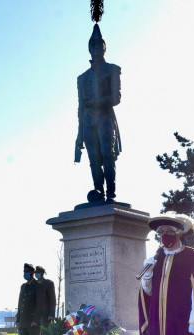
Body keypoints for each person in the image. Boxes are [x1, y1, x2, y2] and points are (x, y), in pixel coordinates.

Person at [74, 23, 122, 203]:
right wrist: (79, 135)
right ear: (89, 48)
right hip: (87, 121)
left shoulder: (112, 69)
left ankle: (111, 194)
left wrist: (95, 102)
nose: (96, 47)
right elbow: (80, 107)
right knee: (93, 159)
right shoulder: (82, 78)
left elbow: (116, 98)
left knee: (108, 154)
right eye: (93, 44)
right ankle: (98, 192)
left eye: (100, 43)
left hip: (105, 117)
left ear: (105, 47)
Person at [17, 263, 45, 335]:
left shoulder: (38, 286)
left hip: (33, 322)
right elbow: (20, 304)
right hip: (23, 322)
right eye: (24, 272)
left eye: (27, 272)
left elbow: (40, 304)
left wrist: (36, 320)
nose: (25, 274)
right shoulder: (23, 286)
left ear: (32, 273)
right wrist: (18, 319)